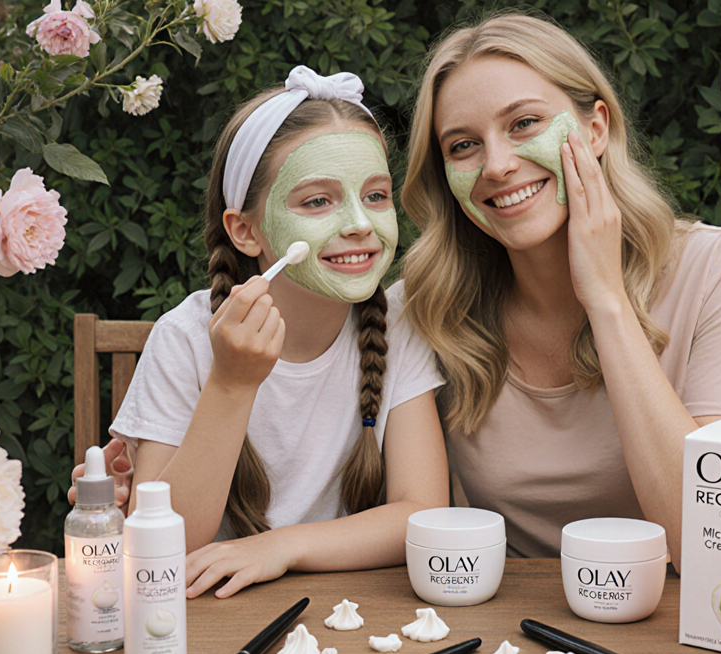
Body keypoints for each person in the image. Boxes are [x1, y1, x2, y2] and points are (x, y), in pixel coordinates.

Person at [399, 13, 721, 570]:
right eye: (462, 146)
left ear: (596, 129)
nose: (498, 165)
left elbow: (716, 540)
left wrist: (606, 300)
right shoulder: (426, 307)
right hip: (511, 629)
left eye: (524, 123)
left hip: (681, 627)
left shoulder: (720, 269)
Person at [74, 66, 448, 598]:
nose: (360, 224)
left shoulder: (397, 324)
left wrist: (281, 547)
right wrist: (232, 383)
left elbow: (424, 514)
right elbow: (161, 552)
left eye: (376, 195)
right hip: (212, 618)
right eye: (318, 201)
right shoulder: (184, 338)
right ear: (246, 231)